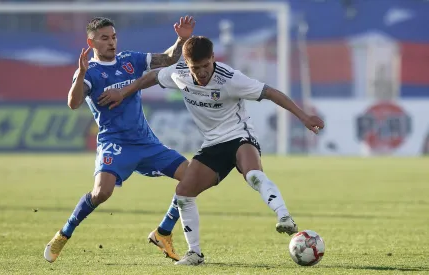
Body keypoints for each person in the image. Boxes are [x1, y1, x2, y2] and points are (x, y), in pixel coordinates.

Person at [99, 36, 325, 266]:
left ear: (213, 59)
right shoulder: (179, 74)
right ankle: (194, 253)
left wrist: (304, 117)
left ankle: (284, 217)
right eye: (196, 68)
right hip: (212, 145)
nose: (202, 72)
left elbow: (271, 92)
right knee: (184, 192)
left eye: (206, 65)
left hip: (240, 136)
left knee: (253, 175)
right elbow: (152, 77)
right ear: (187, 65)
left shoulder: (231, 79)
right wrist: (123, 92)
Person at [44, 16, 196, 263]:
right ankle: (64, 233)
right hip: (114, 143)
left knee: (192, 176)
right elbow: (73, 103)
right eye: (104, 38)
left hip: (146, 142)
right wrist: (81, 74)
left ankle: (163, 232)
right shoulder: (90, 72)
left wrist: (181, 39)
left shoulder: (130, 60)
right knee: (101, 193)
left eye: (113, 37)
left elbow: (168, 58)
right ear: (91, 42)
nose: (111, 42)